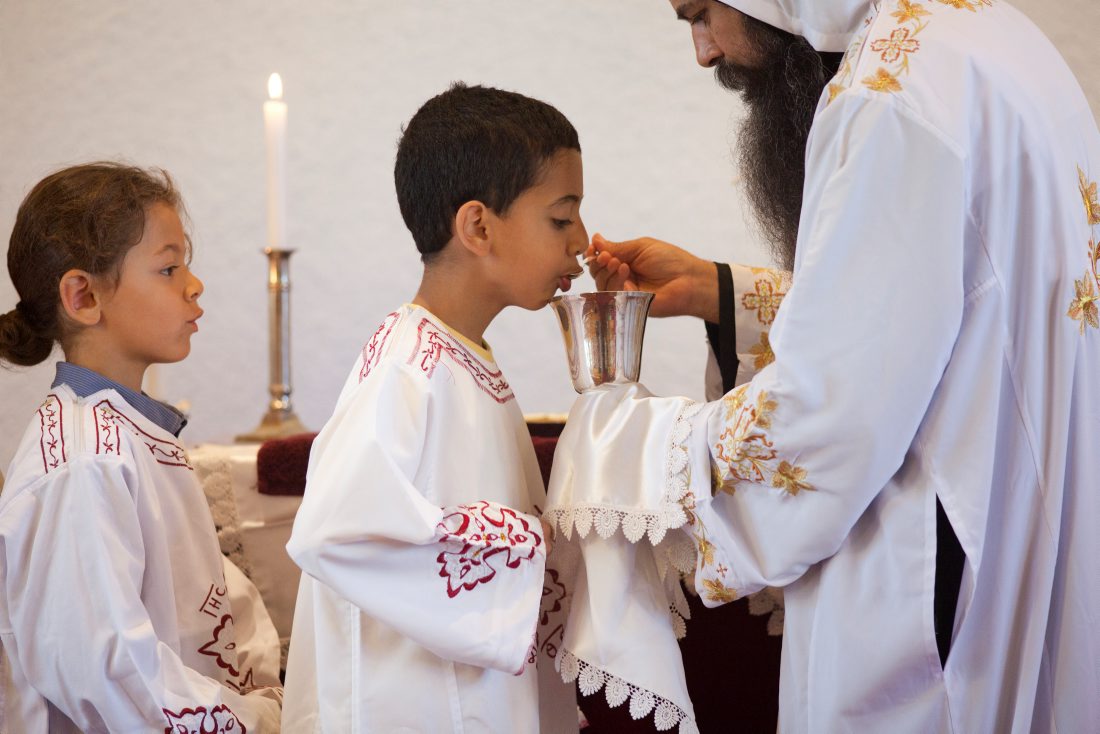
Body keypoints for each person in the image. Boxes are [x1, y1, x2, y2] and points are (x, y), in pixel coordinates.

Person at [546, 1, 1100, 731]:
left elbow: (819, 422)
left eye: (699, 13)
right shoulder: (989, 36)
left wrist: (623, 444)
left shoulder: (884, 91)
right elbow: (944, 318)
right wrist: (724, 295)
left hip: (941, 578)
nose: (703, 52)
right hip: (1026, 513)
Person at [281, 82, 585, 733]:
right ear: (478, 225)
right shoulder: (406, 367)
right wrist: (530, 544)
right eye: (561, 218)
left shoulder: (463, 356)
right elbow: (337, 531)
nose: (582, 240)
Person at [0, 162, 283, 732]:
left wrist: (269, 694)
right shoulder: (84, 463)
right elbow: (109, 668)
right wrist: (255, 720)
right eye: (169, 267)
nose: (194, 284)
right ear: (83, 296)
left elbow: (210, 602)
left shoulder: (132, 433)